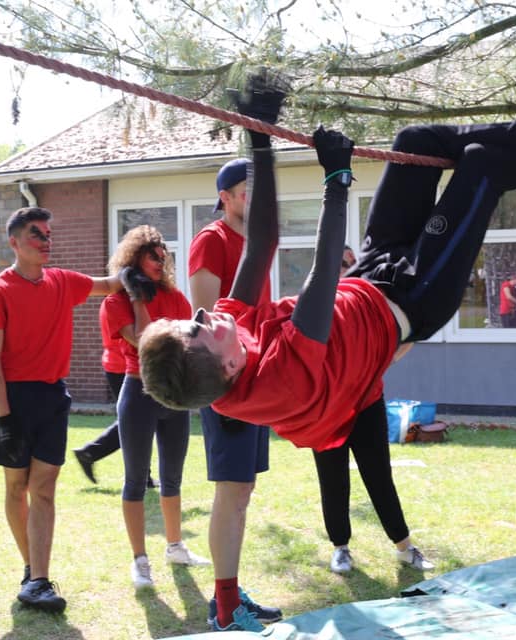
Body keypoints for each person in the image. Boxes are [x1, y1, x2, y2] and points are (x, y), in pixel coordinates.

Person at [139, 71, 516, 503]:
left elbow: (260, 242)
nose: (203, 313)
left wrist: (258, 135)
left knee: (416, 142)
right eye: (199, 327)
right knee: (479, 165)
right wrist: (337, 178)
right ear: (226, 364)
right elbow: (321, 276)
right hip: (415, 297)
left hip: (370, 275)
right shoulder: (275, 382)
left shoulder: (230, 338)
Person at [0, 206, 124, 612]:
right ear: (15, 243)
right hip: (11, 399)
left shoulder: (61, 282)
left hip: (53, 398)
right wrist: (4, 419)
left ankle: (39, 579)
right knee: (15, 487)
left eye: (47, 234)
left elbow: (109, 285)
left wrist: (140, 267)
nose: (45, 241)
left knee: (43, 489)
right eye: (36, 234)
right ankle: (30, 568)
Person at [188, 155, 282, 632]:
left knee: (242, 489)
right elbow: (203, 321)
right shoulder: (212, 240)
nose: (257, 199)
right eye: (249, 190)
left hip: (254, 380)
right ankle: (225, 607)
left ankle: (228, 594)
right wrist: (221, 388)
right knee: (232, 490)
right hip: (225, 383)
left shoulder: (255, 242)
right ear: (224, 198)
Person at [310, 245, 433, 574]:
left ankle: (404, 547)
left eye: (352, 263)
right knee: (332, 478)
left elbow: (406, 334)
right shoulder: (314, 305)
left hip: (366, 402)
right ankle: (340, 548)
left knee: (379, 475)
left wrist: (382, 360)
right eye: (343, 263)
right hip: (327, 408)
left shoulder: (367, 303)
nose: (349, 268)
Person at [103, 225, 210, 590]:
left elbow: (187, 346)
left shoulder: (175, 297)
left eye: (163, 253)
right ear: (134, 259)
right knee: (135, 480)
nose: (161, 259)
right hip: (138, 392)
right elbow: (146, 341)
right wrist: (135, 296)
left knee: (173, 477)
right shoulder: (115, 302)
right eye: (152, 254)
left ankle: (175, 546)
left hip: (174, 394)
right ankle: (140, 560)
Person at [71, 300, 156, 489]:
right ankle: (90, 453)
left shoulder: (115, 302)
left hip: (118, 365)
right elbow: (135, 337)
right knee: (135, 423)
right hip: (123, 368)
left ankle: (144, 475)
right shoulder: (118, 303)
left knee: (137, 422)